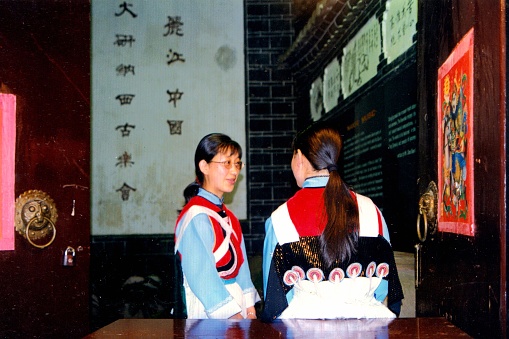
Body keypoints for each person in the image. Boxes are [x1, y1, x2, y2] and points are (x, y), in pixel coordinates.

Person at [261, 124, 404, 321]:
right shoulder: (371, 210)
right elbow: (383, 286)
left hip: (304, 327)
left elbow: (276, 298)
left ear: (300, 158)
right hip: (367, 325)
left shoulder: (280, 218)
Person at [174, 133, 260, 319]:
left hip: (237, 306)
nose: (234, 171)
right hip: (208, 308)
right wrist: (233, 315)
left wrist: (250, 308)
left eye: (237, 163)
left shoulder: (230, 217)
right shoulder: (195, 216)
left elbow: (242, 267)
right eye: (227, 163)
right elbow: (201, 275)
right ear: (204, 166)